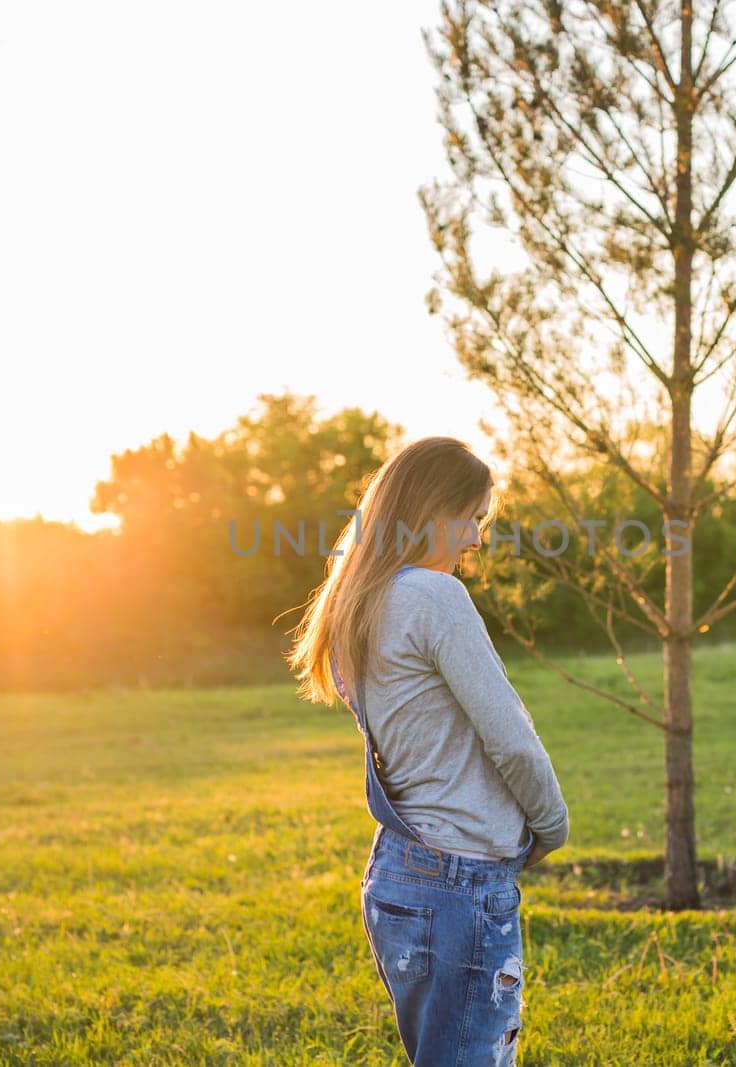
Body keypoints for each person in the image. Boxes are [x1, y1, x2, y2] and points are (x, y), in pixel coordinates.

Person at [285, 435, 570, 1066]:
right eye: (471, 518)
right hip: (461, 879)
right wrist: (551, 826)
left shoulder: (356, 604)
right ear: (431, 510)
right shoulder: (434, 597)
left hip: (398, 876)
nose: (475, 539)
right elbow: (512, 738)